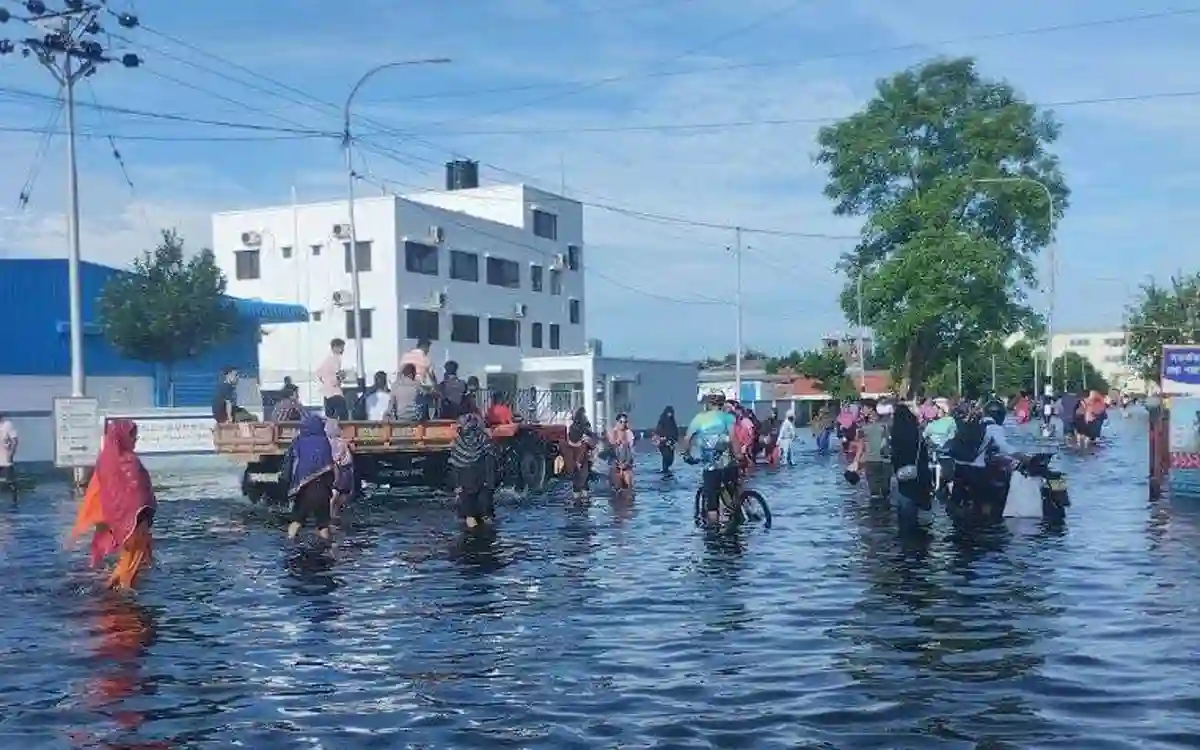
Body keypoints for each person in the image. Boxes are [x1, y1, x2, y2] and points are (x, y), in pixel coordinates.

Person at [69, 420, 156, 590]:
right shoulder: (130, 462)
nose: (135, 440)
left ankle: (112, 590)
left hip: (119, 523)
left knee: (125, 565)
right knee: (130, 571)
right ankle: (122, 597)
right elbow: (138, 494)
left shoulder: (106, 461)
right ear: (124, 437)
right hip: (135, 524)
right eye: (133, 436)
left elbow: (103, 493)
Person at [944, 400, 1027, 516]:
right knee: (987, 501)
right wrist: (1025, 458)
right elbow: (1005, 447)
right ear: (1001, 416)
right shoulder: (993, 428)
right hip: (976, 472)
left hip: (959, 468)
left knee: (955, 501)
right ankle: (986, 524)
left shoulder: (973, 424)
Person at [681, 390, 740, 525]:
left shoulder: (699, 419)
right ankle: (737, 511)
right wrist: (739, 455)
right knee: (732, 491)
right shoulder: (728, 418)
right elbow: (733, 438)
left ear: (708, 403)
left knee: (712, 503)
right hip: (729, 463)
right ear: (723, 402)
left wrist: (687, 455)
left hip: (710, 465)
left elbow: (687, 439)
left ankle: (714, 532)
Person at [279, 413, 336, 542]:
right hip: (322, 490)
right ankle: (326, 545)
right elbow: (329, 465)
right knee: (323, 524)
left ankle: (289, 543)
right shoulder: (324, 441)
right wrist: (330, 487)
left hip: (304, 489)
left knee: (296, 521)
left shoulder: (299, 441)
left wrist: (287, 484)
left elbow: (290, 463)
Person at [449, 413, 497, 529]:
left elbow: (454, 466)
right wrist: (490, 484)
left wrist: (457, 487)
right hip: (481, 484)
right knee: (486, 518)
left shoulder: (457, 443)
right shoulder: (484, 441)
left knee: (469, 519)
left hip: (467, 485)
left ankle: (472, 540)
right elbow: (490, 463)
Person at [890, 403, 933, 511]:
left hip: (902, 474)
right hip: (919, 472)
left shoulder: (896, 436)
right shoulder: (917, 433)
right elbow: (924, 454)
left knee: (905, 508)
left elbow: (893, 456)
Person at [849, 400, 892, 500]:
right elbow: (861, 444)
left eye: (863, 408)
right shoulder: (863, 426)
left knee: (881, 492)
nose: (861, 411)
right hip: (877, 461)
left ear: (870, 409)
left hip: (880, 460)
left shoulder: (883, 424)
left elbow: (860, 445)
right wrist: (856, 461)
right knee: (879, 492)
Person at [399, 339, 438, 419]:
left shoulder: (405, 356)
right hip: (418, 389)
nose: (428, 351)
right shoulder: (426, 359)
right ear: (425, 347)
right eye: (428, 349)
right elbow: (432, 377)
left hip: (402, 387)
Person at [563, 407, 595, 501]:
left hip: (577, 455)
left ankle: (579, 499)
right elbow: (591, 442)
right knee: (582, 481)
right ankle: (583, 499)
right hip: (581, 455)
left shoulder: (573, 427)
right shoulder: (581, 427)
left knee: (578, 481)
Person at [326, 420, 355, 520]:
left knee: (339, 494)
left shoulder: (338, 441)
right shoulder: (339, 441)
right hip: (341, 468)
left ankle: (333, 513)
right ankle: (332, 514)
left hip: (342, 468)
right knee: (337, 494)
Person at [316, 338, 349, 421]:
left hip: (327, 394)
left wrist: (326, 382)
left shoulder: (326, 360)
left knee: (329, 418)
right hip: (335, 392)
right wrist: (341, 377)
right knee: (343, 418)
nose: (343, 349)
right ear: (335, 347)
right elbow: (337, 375)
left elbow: (319, 374)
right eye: (341, 347)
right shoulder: (336, 359)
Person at [607, 412, 635, 491]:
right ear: (617, 422)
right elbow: (609, 449)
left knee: (628, 483)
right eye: (621, 422)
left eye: (625, 422)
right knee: (616, 485)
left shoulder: (629, 434)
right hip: (614, 463)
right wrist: (615, 442)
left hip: (626, 461)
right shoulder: (612, 433)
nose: (623, 424)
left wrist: (626, 464)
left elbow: (631, 451)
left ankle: (628, 498)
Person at [653, 406, 679, 474]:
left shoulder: (672, 421)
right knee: (666, 456)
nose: (670, 414)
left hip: (671, 442)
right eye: (669, 413)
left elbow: (675, 432)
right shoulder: (662, 420)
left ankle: (666, 469)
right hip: (663, 443)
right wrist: (661, 438)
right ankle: (665, 470)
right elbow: (658, 431)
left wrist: (675, 440)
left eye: (671, 413)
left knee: (671, 458)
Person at [0, 412, 18, 499]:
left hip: (5, 459)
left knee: (10, 482)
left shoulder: (7, 425)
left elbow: (14, 441)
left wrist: (11, 454)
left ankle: (14, 499)